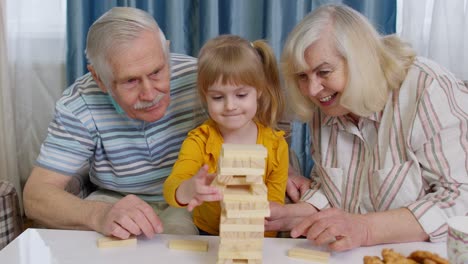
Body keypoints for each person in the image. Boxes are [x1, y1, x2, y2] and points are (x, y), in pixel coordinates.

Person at [265, 4, 468, 251]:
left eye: (324, 72)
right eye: (302, 76)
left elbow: (459, 197)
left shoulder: (428, 88)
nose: (312, 90)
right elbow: (331, 191)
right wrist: (290, 216)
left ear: (360, 60)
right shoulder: (327, 102)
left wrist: (366, 229)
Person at [23, 7, 207, 239]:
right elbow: (35, 196)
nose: (150, 94)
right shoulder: (78, 104)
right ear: (99, 78)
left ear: (166, 52)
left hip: (189, 199)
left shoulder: (201, 78)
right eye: (130, 81)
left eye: (157, 72)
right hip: (115, 197)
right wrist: (99, 215)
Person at [163, 35, 289, 237]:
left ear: (259, 90)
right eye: (218, 97)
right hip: (206, 232)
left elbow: (275, 201)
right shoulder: (199, 140)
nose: (230, 106)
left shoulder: (276, 145)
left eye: (241, 95)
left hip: (252, 236)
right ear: (205, 96)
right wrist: (190, 189)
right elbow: (172, 186)